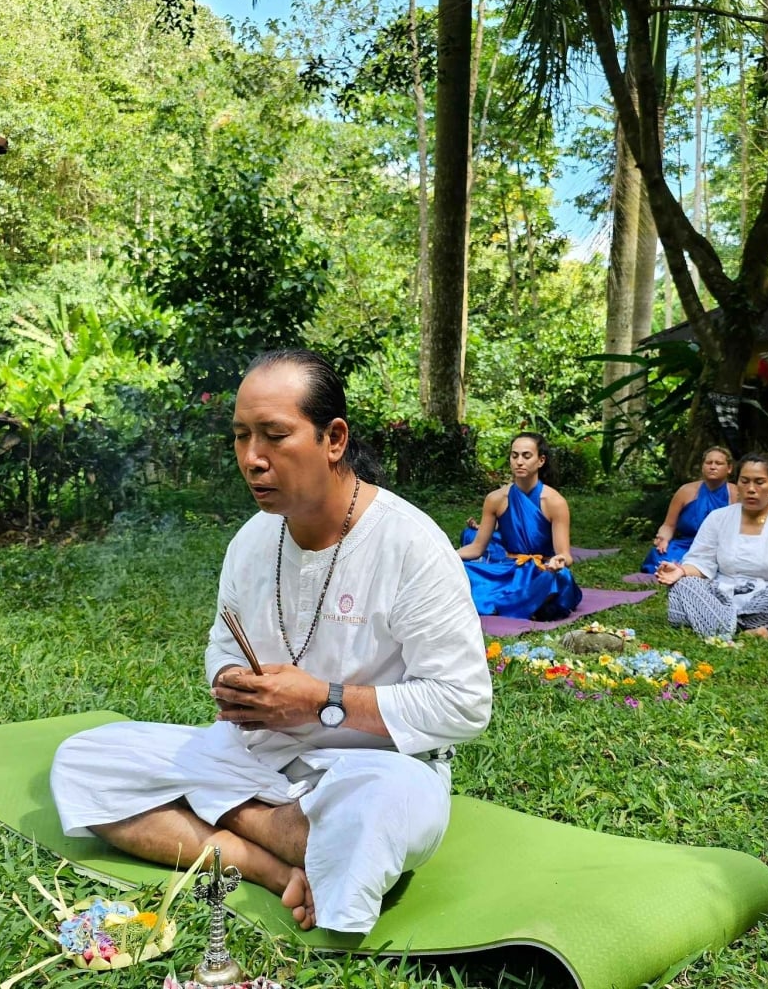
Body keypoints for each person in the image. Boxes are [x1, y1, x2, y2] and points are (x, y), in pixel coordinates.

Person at [51, 349, 492, 935]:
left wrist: (319, 701)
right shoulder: (251, 542)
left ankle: (262, 823)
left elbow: (464, 704)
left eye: (274, 436)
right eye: (240, 437)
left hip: (375, 766)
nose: (252, 459)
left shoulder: (411, 546)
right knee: (85, 760)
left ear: (333, 439)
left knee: (377, 810)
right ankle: (272, 859)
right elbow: (224, 644)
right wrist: (229, 681)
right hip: (256, 756)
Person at [654, 452, 768, 639]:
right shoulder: (718, 517)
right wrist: (680, 571)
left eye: (759, 482)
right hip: (719, 593)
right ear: (737, 484)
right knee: (684, 585)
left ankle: (714, 625)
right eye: (745, 481)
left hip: (766, 596)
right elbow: (701, 560)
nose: (751, 489)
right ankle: (746, 630)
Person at [456, 433, 584, 620]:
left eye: (526, 456)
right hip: (511, 569)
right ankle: (527, 605)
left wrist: (558, 562)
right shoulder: (495, 499)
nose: (519, 462)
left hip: (544, 570)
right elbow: (476, 548)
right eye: (514, 456)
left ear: (540, 461)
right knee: (463, 571)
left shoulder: (554, 502)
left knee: (560, 577)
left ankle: (512, 603)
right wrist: (446, 555)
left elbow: (564, 554)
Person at [640, 446, 740, 572]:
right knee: (661, 558)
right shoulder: (685, 491)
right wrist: (663, 538)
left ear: (729, 468)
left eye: (719, 463)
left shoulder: (736, 493)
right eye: (708, 463)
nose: (713, 467)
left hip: (721, 548)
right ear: (703, 466)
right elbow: (669, 525)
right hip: (687, 545)